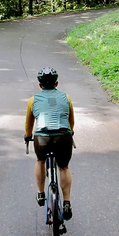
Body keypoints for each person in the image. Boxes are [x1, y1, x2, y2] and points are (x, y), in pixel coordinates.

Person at [24, 67, 75, 220]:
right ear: (56, 83)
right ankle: (66, 202)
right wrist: (69, 133)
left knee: (40, 161)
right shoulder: (66, 97)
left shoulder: (33, 100)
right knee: (64, 167)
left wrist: (28, 136)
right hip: (63, 136)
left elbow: (29, 126)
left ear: (40, 85)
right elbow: (71, 122)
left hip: (42, 137)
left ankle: (40, 194)